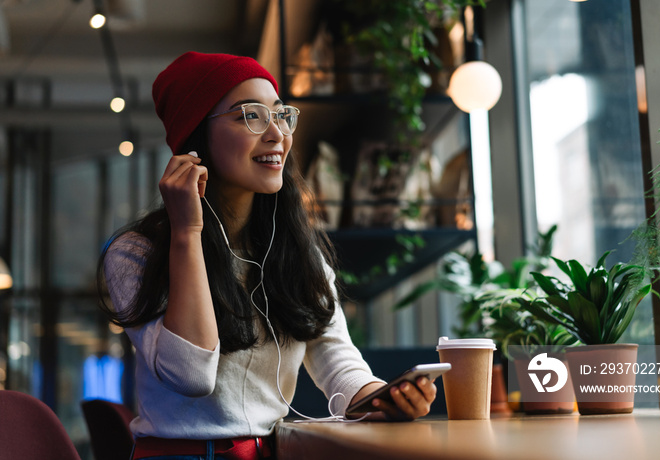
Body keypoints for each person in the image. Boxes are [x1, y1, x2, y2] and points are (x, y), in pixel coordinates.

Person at [98, 51, 437, 460]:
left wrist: (383, 399)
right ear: (195, 139)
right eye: (250, 116)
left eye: (281, 115)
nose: (277, 134)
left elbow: (340, 366)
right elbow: (190, 375)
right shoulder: (137, 254)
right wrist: (187, 232)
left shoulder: (297, 252)